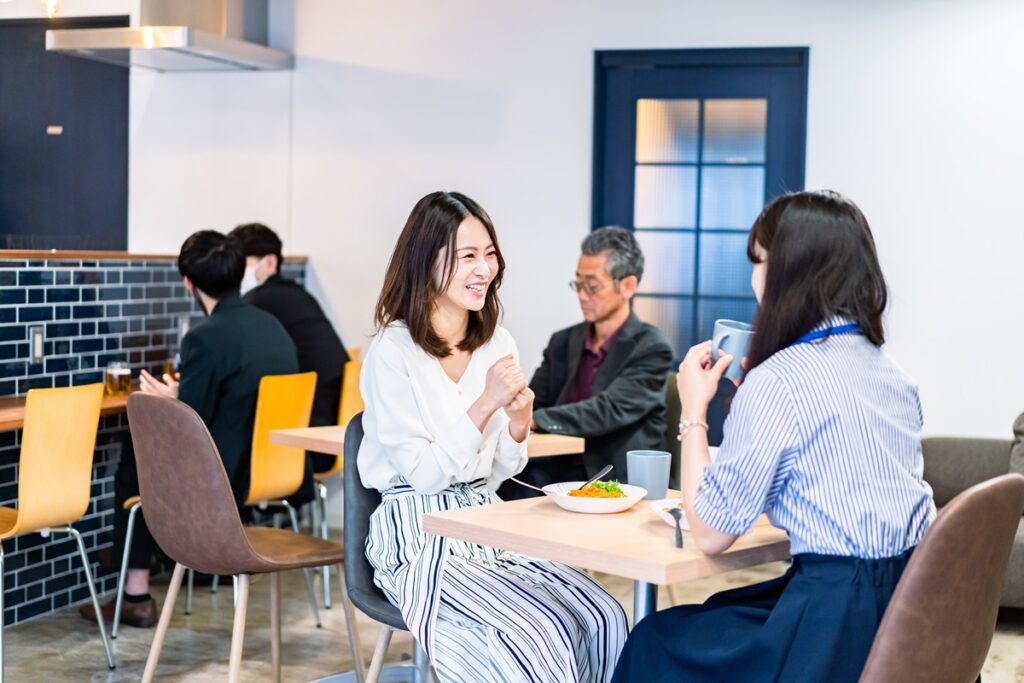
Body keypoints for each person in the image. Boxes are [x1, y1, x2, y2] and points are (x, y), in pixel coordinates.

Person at [611, 190, 937, 682]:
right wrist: (753, 406)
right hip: (913, 604)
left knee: (656, 640)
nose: (753, 277)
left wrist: (695, 411)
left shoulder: (779, 379)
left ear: (790, 271)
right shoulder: (888, 371)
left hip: (837, 623)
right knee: (719, 611)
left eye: (759, 261)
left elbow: (711, 533)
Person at [359, 191, 627, 683]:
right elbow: (422, 476)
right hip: (420, 528)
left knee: (603, 614)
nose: (485, 268)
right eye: (468, 256)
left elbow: (501, 470)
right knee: (537, 630)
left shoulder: (497, 342)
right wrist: (483, 404)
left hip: (487, 517)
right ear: (426, 262)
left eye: (489, 253)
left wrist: (519, 425)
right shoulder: (391, 352)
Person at [82, 231, 298, 627]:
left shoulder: (204, 338)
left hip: (225, 480)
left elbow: (191, 428)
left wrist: (170, 402)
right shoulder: (274, 328)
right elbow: (239, 396)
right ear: (239, 273)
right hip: (274, 474)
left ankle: (135, 590)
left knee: (140, 457)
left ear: (188, 283)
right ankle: (142, 553)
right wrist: (183, 392)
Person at [499, 227, 672, 499]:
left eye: (592, 286)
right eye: (578, 284)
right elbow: (535, 401)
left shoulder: (651, 347)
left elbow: (608, 409)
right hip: (554, 468)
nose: (582, 295)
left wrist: (536, 420)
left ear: (627, 286)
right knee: (504, 483)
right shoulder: (563, 342)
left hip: (611, 476)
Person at [229, 222, 350, 499]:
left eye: (242, 262)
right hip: (335, 433)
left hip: (306, 444)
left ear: (270, 262)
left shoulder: (257, 301)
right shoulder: (298, 294)